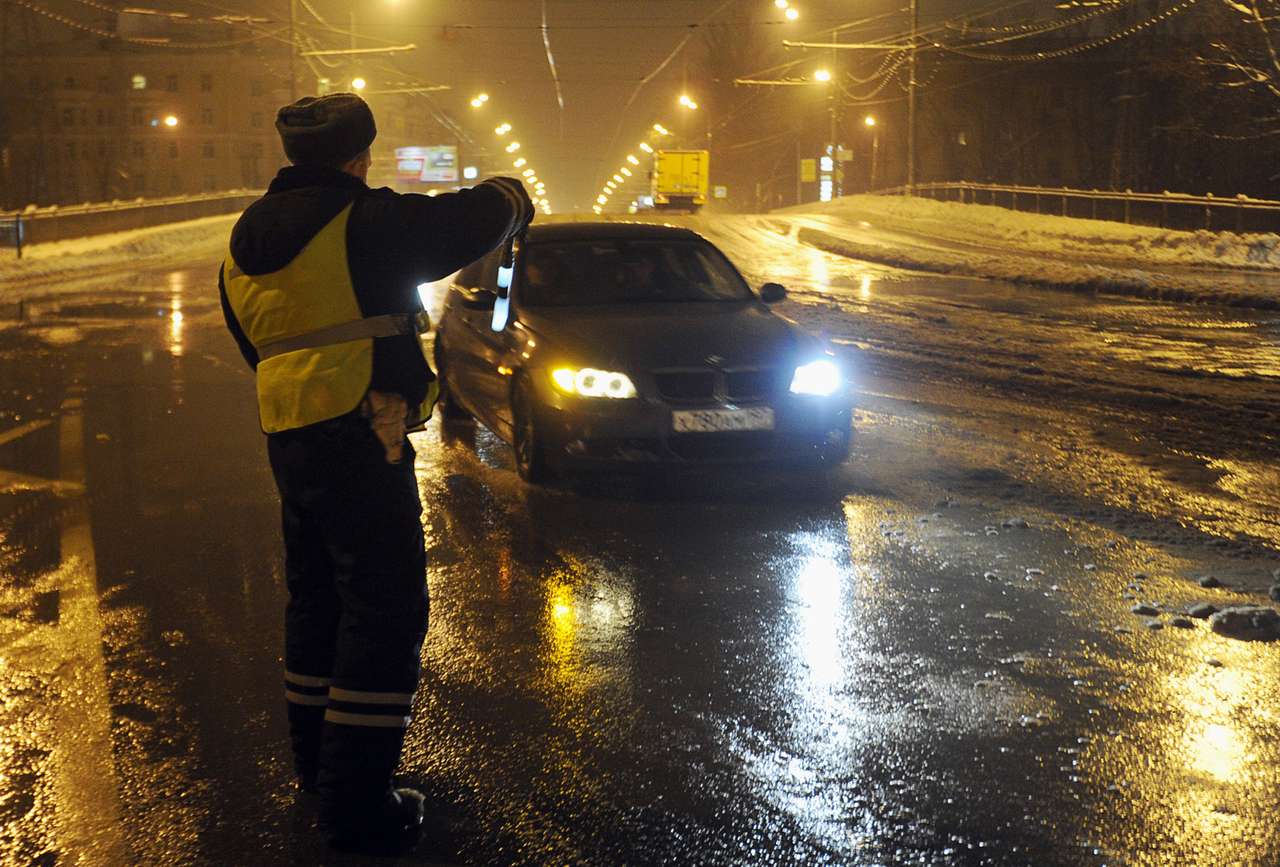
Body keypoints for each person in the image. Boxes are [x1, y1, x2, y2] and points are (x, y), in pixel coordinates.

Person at [219, 92, 533, 856]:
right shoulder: (365, 220)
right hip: (364, 428)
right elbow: (462, 222)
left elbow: (249, 337)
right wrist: (512, 194)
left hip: (289, 433)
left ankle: (317, 769)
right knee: (384, 608)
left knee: (318, 597)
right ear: (358, 158)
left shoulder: (242, 239)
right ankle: (358, 802)